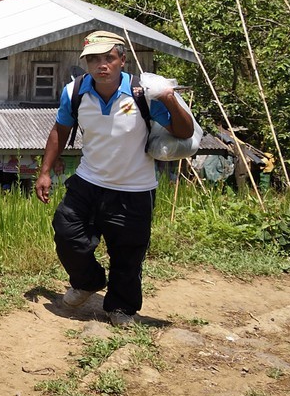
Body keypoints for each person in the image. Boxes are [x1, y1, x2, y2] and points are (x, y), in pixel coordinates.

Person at [34, 30, 196, 325]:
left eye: (108, 58)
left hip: (134, 188)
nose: (101, 65)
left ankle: (121, 308)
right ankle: (88, 282)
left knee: (128, 254)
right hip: (88, 182)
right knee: (66, 232)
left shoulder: (142, 94)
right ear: (86, 63)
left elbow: (184, 132)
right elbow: (60, 130)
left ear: (122, 60)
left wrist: (169, 98)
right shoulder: (76, 92)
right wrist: (44, 171)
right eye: (93, 59)